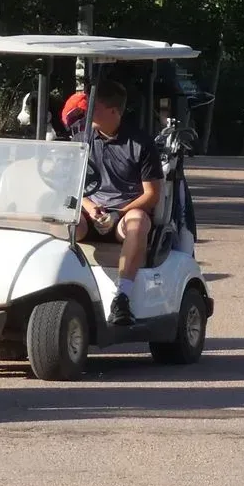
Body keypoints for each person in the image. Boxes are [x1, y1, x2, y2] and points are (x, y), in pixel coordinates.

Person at [80, 79, 163, 327]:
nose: (89, 112)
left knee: (138, 222)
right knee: (57, 224)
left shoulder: (140, 143)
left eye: (96, 107)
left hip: (123, 218)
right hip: (90, 213)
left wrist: (118, 213)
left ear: (114, 111)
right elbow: (69, 184)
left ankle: (122, 296)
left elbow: (152, 194)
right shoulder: (81, 139)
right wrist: (89, 206)